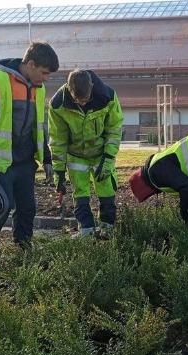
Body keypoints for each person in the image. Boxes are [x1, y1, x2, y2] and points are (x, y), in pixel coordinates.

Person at [0, 42, 59, 248]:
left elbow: (39, 127)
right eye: (44, 73)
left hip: (25, 162)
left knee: (28, 208)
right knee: (3, 205)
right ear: (31, 64)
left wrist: (46, 159)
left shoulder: (39, 89)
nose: (46, 79)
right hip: (0, 163)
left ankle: (23, 246)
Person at [49, 69, 123, 237]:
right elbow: (58, 140)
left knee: (107, 192)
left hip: (101, 155)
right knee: (80, 194)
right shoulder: (57, 105)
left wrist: (109, 158)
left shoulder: (108, 97)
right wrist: (59, 174)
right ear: (69, 89)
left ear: (92, 86)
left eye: (86, 100)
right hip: (76, 157)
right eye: (78, 100)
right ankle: (87, 231)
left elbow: (114, 129)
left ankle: (107, 230)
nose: (82, 104)